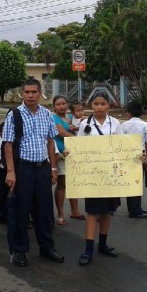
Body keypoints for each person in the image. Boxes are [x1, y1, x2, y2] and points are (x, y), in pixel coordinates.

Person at [3, 79, 63, 268]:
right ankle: (20, 250)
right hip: (23, 169)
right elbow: (8, 144)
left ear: (40, 93)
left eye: (34, 92)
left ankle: (46, 247)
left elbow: (50, 141)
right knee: (21, 211)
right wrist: (11, 171)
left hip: (43, 168)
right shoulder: (15, 115)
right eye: (27, 92)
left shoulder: (47, 114)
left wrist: (53, 168)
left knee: (44, 210)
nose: (30, 95)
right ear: (23, 94)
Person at [76, 92, 123, 266]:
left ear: (108, 106)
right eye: (96, 104)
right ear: (91, 105)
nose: (99, 107)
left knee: (107, 211)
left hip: (111, 173)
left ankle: (103, 244)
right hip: (93, 175)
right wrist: (70, 153)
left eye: (103, 104)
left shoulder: (116, 123)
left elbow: (122, 146)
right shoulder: (84, 125)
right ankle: (88, 250)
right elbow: (79, 147)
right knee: (92, 212)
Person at [51, 95, 83, 225]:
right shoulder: (53, 118)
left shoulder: (70, 117)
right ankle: (60, 214)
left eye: (63, 103)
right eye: (58, 104)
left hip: (73, 154)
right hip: (61, 155)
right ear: (54, 107)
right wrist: (80, 140)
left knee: (73, 183)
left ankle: (75, 211)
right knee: (62, 183)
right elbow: (61, 133)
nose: (61, 106)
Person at [121, 99, 147, 219]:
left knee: (131, 183)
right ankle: (136, 210)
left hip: (127, 156)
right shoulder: (145, 125)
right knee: (138, 183)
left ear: (128, 112)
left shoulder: (124, 125)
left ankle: (133, 208)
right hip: (141, 156)